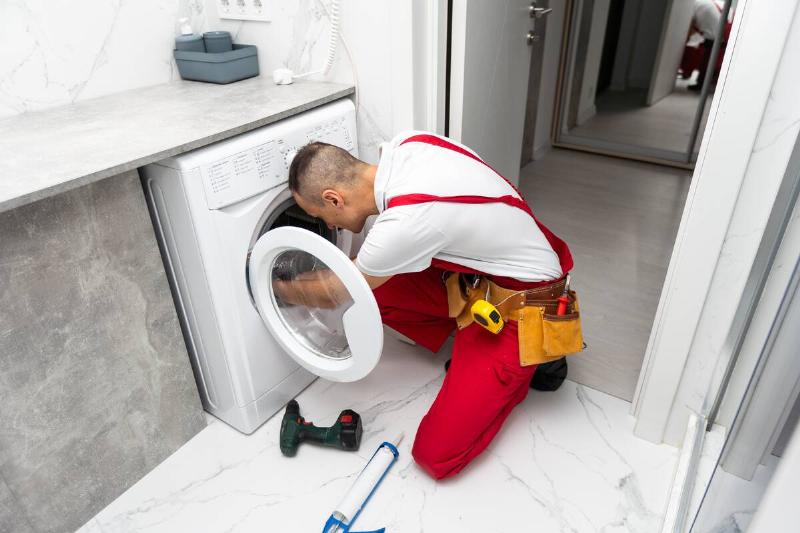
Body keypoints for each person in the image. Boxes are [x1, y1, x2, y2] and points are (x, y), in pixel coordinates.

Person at [279, 132, 578, 480]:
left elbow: (334, 291)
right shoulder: (412, 145)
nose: (329, 226)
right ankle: (472, 352)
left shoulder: (405, 222)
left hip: (526, 306)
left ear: (334, 199)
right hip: (483, 277)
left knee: (434, 456)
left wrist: (274, 285)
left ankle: (533, 360)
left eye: (322, 215)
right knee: (375, 290)